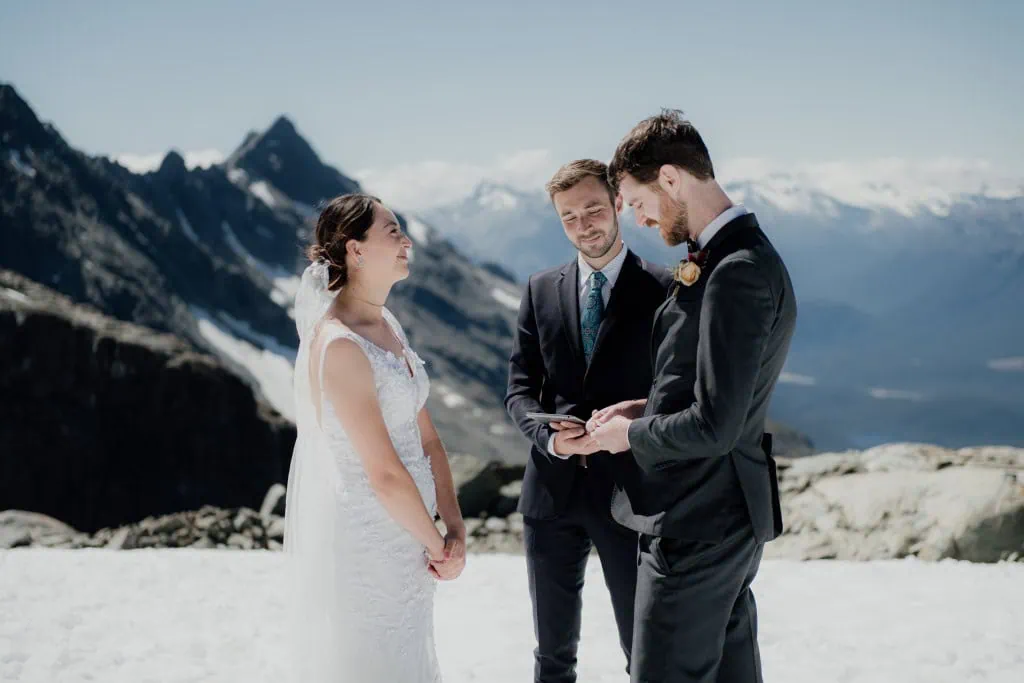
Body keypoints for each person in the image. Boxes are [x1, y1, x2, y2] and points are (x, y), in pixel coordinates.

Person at [589, 109, 797, 683]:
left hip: (698, 520)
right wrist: (644, 408)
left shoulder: (736, 271)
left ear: (672, 179)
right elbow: (710, 389)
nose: (638, 219)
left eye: (637, 202)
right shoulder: (731, 256)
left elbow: (716, 425)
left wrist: (626, 436)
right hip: (719, 515)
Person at [283, 193, 466, 682]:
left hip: (413, 538)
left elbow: (426, 436)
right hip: (374, 542)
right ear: (355, 250)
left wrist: (454, 524)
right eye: (392, 232)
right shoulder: (341, 345)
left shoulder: (387, 324)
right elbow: (383, 473)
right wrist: (437, 547)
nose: (407, 242)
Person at [505, 159, 673, 683]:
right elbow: (518, 389)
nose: (584, 226)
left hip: (630, 496)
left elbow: (675, 390)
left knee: (641, 652)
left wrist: (632, 419)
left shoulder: (664, 288)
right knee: (551, 657)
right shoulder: (539, 289)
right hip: (550, 496)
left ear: (618, 205)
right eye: (569, 217)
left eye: (594, 210)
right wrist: (551, 439)